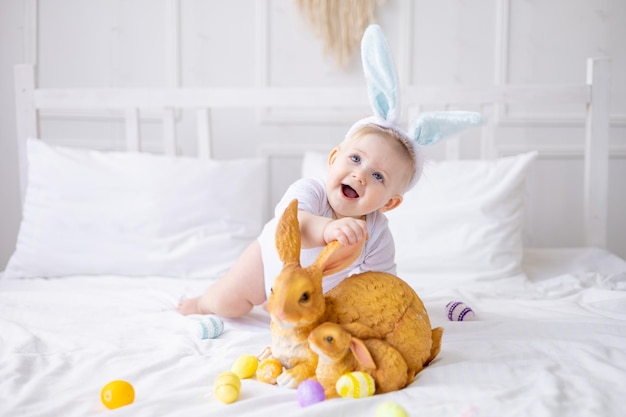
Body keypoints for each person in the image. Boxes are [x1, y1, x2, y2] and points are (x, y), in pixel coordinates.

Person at [177, 122, 417, 318]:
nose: (360, 175)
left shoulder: (375, 234)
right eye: (355, 159)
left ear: (389, 203)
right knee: (228, 303)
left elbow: (380, 282)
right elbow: (293, 229)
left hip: (309, 293)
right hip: (265, 263)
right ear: (333, 158)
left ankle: (281, 303)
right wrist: (328, 229)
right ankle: (201, 303)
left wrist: (389, 311)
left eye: (377, 176)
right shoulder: (310, 191)